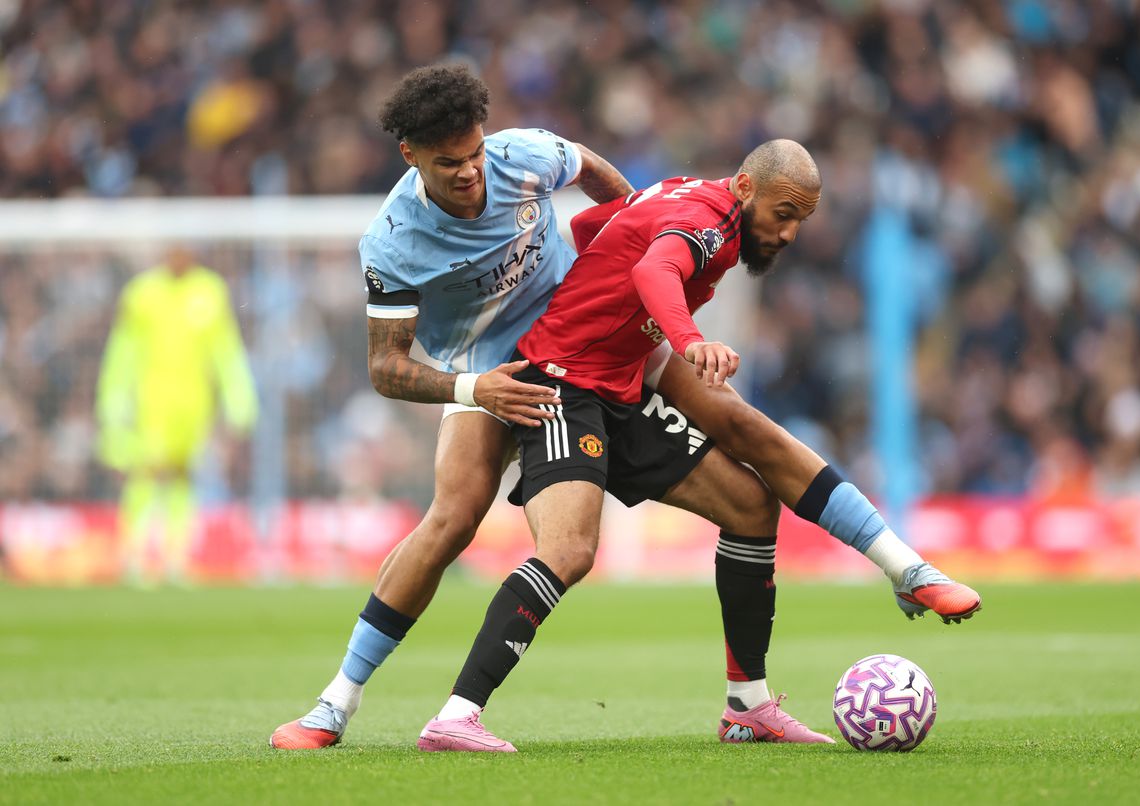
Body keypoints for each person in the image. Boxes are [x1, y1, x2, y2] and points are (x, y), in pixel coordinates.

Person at [271, 64, 976, 751]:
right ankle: (338, 701)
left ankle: (815, 648)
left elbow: (596, 177)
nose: (470, 172)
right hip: (498, 370)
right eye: (449, 163)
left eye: (474, 153)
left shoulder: (522, 156)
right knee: (454, 521)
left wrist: (635, 228)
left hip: (599, 333)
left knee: (745, 457)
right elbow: (387, 368)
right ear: (411, 156)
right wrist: (474, 389)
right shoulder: (393, 242)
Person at [95, 246, 258, 585]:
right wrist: (114, 397)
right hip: (151, 400)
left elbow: (225, 350)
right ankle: (135, 555)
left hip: (194, 403)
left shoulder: (210, 291)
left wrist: (239, 399)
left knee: (183, 477)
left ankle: (175, 558)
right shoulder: (141, 293)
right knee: (146, 473)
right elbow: (123, 349)